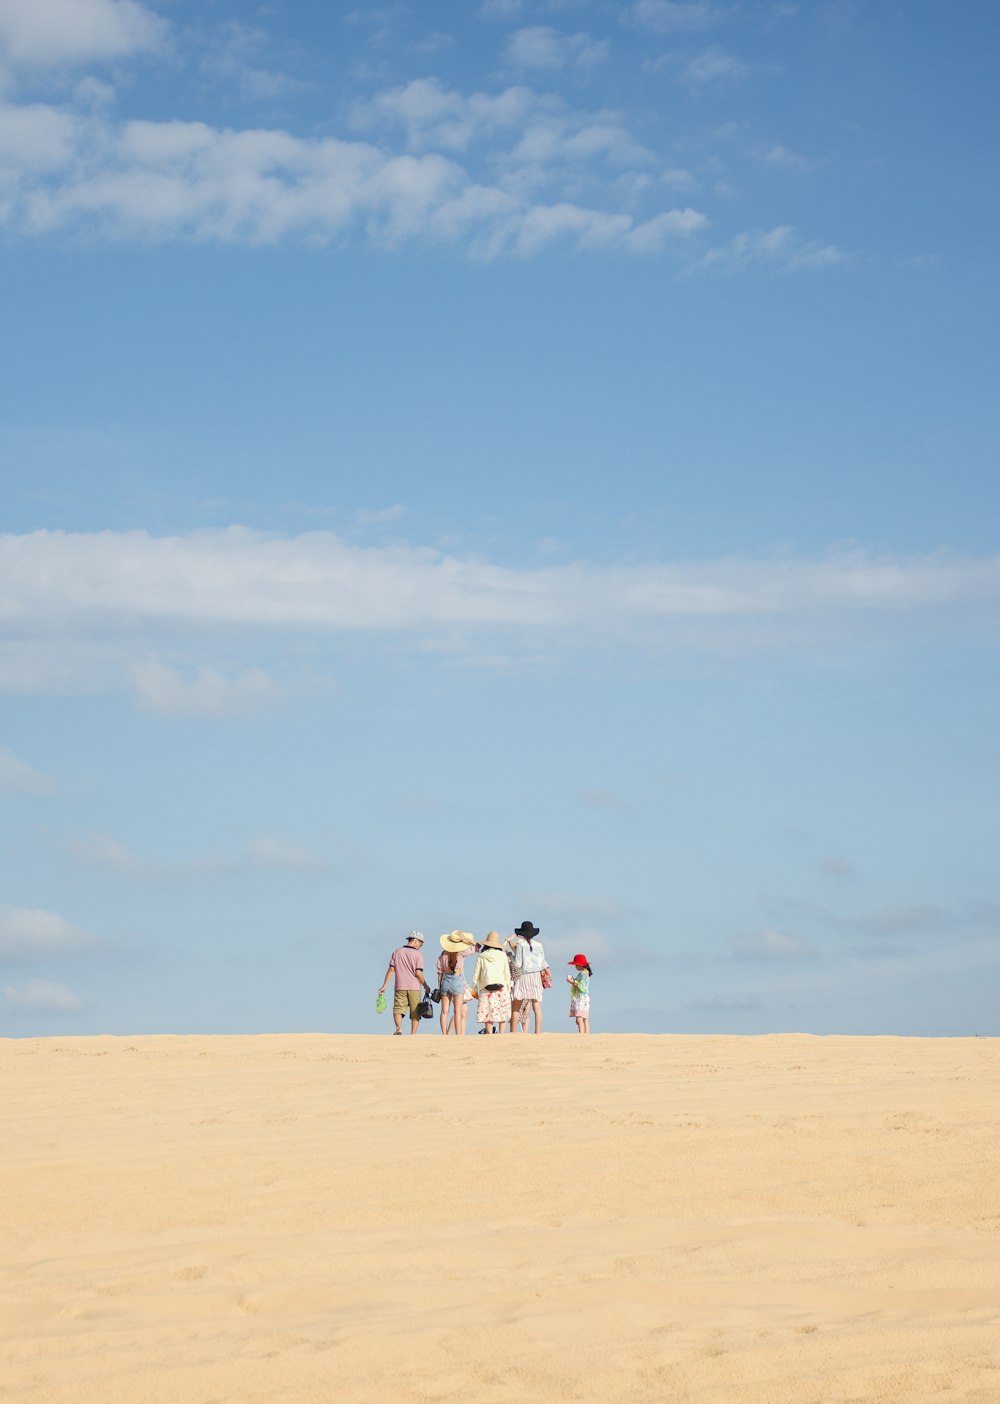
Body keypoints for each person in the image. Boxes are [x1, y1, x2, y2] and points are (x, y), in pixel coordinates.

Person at [378, 931, 431, 1035]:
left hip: (400, 986)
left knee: (398, 1008)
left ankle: (399, 1029)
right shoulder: (418, 954)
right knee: (415, 1012)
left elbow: (391, 970)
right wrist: (426, 986)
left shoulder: (397, 952)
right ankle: (413, 1034)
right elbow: (418, 972)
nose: (421, 945)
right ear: (416, 940)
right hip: (414, 987)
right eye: (421, 943)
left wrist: (385, 985)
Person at [509, 919, 547, 1035]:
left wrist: (511, 956)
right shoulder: (539, 945)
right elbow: (542, 963)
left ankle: (513, 1032)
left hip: (524, 976)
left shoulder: (520, 945)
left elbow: (518, 964)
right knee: (537, 1006)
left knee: (516, 1005)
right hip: (536, 976)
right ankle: (538, 1032)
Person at [470, 931, 511, 1035]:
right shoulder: (503, 955)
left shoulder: (481, 956)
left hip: (485, 987)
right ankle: (501, 1033)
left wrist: (474, 988)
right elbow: (507, 973)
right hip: (501, 986)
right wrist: (508, 987)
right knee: (502, 1011)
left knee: (488, 1012)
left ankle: (489, 1034)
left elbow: (476, 974)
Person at [437, 931, 476, 1036]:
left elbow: (439, 972)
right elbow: (477, 946)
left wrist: (439, 986)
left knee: (444, 1011)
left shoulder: (443, 954)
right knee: (457, 1011)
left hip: (445, 980)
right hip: (457, 980)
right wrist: (464, 939)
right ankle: (458, 1034)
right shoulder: (462, 952)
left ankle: (444, 1034)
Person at [567, 953, 592, 1034]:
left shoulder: (583, 974)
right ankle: (586, 1035)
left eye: (576, 965)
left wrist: (572, 981)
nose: (575, 967)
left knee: (580, 1018)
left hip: (581, 998)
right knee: (585, 1018)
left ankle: (581, 1035)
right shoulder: (586, 973)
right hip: (584, 998)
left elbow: (582, 987)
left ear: (580, 965)